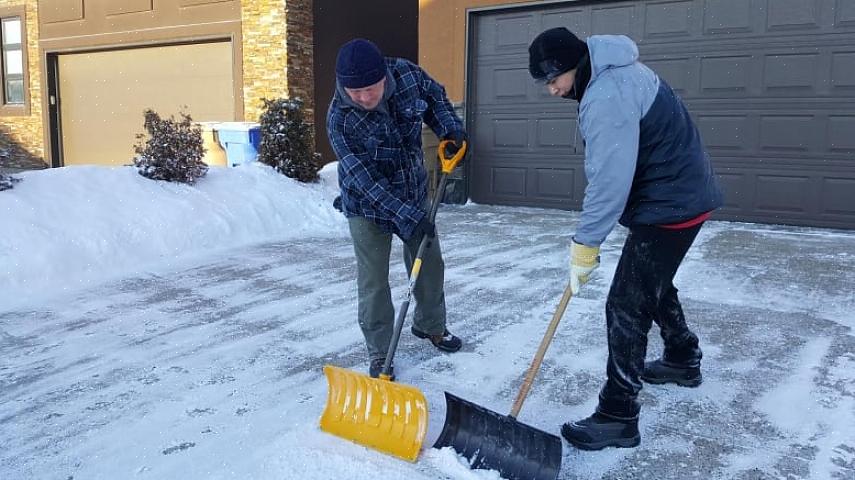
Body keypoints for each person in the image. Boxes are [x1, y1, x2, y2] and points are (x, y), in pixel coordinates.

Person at [527, 27, 724, 450]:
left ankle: (618, 415)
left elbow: (609, 180)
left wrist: (586, 243)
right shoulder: (618, 72)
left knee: (626, 304)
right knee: (651, 281)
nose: (553, 91)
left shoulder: (607, 94)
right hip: (680, 194)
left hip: (671, 202)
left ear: (572, 67)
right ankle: (682, 357)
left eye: (553, 80)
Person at [327, 38, 467, 380]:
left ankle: (430, 325)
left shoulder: (408, 76)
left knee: (429, 264)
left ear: (384, 77)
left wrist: (450, 127)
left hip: (413, 189)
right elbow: (366, 181)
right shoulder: (340, 120)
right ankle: (379, 351)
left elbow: (435, 98)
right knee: (373, 280)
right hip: (367, 205)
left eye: (369, 88)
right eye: (353, 91)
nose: (362, 98)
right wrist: (407, 217)